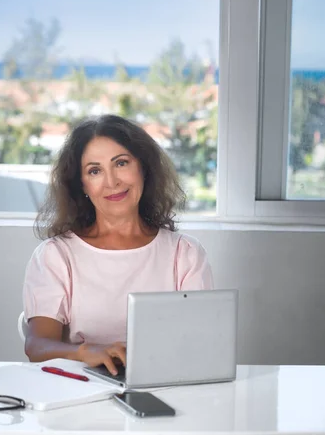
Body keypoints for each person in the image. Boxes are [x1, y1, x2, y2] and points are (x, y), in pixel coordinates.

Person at [23, 114, 213, 374]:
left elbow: (203, 344)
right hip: (79, 394)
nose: (112, 182)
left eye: (121, 163)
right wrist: (82, 353)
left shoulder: (186, 254)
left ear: (143, 168)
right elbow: (37, 346)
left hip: (166, 389)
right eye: (95, 170)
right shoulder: (56, 255)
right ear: (83, 185)